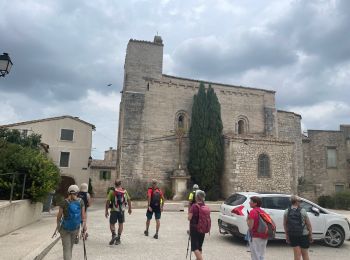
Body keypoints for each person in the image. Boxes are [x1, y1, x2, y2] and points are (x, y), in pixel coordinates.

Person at [56, 185, 86, 260]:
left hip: (65, 228)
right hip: (75, 228)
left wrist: (58, 226)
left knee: (66, 249)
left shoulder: (64, 202)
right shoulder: (81, 201)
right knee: (70, 248)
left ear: (68, 192)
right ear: (77, 193)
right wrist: (84, 226)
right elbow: (83, 217)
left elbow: (59, 216)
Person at [283, 195, 313, 260]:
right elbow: (309, 225)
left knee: (296, 254)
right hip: (304, 235)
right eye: (300, 201)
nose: (300, 202)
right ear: (296, 202)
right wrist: (310, 235)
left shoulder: (287, 211)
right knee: (305, 254)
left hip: (293, 235)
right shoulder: (303, 211)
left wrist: (287, 235)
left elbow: (285, 224)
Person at [105, 179, 132, 245]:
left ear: (115, 184)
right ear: (120, 184)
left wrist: (106, 211)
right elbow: (129, 200)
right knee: (121, 224)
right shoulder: (124, 191)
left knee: (112, 223)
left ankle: (114, 235)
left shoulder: (112, 191)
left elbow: (108, 201)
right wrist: (129, 209)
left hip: (114, 211)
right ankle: (118, 239)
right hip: (121, 211)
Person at [188, 190, 210, 260]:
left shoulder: (194, 206)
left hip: (194, 229)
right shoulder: (204, 206)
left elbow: (189, 218)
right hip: (203, 229)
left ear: (196, 197)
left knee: (194, 247)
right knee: (199, 247)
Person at [246, 196, 269, 260]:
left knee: (255, 255)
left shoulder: (253, 212)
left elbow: (250, 226)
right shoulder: (262, 211)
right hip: (264, 235)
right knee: (261, 254)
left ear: (255, 203)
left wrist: (247, 219)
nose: (249, 202)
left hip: (256, 236)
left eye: (251, 201)